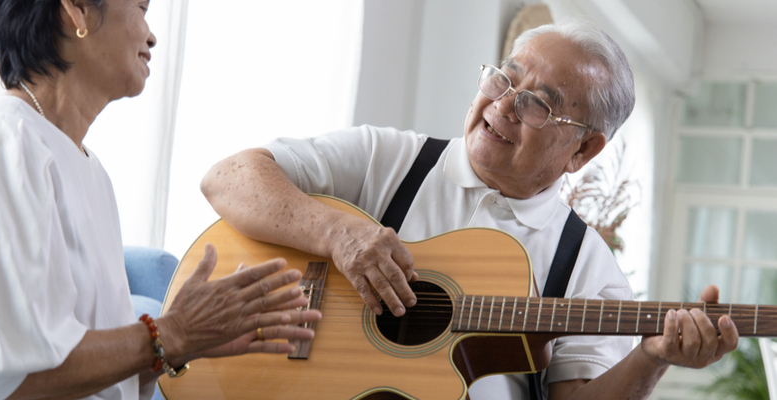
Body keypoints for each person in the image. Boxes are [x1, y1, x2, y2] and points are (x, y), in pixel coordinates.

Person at [201, 19, 738, 400]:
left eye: (539, 103)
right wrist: (337, 232)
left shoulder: (588, 269)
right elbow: (226, 178)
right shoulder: (388, 157)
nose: (502, 104)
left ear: (583, 149)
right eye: (504, 77)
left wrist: (652, 358)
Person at [0, 0, 321, 399]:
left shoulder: (92, 172)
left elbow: (104, 374)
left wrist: (177, 347)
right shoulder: (1, 143)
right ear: (77, 11)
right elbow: (13, 378)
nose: (151, 35)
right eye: (141, 8)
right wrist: (174, 333)